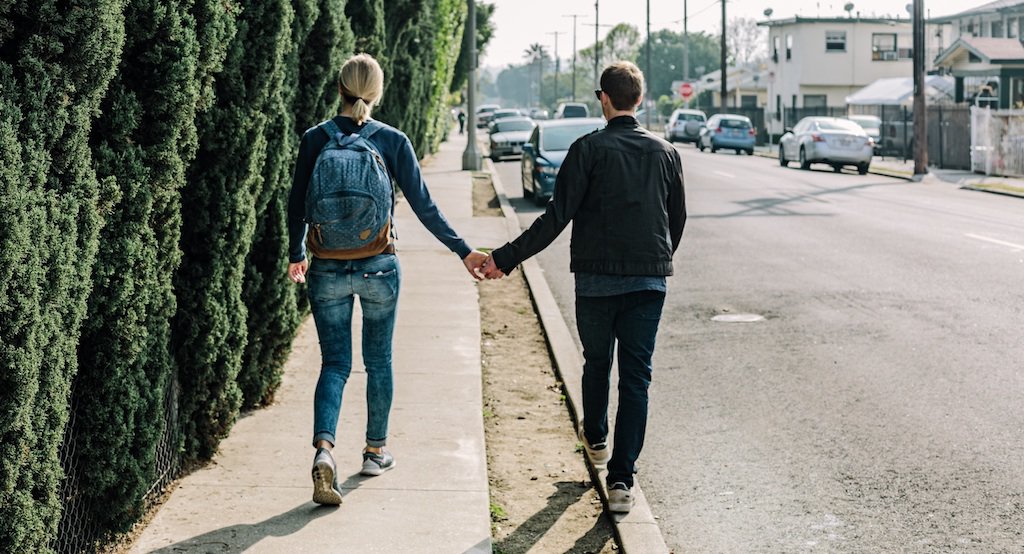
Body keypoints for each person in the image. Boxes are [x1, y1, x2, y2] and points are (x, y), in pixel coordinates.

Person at [480, 61, 686, 514]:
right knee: (637, 379)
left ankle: (595, 438)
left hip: (595, 281)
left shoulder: (587, 150)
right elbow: (677, 221)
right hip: (649, 283)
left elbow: (556, 218)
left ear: (604, 98)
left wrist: (504, 258)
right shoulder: (667, 153)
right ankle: (621, 482)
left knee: (597, 363)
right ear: (639, 98)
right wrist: (655, 260)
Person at [287, 53, 488, 506]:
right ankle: (375, 451)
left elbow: (296, 204)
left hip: (328, 268)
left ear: (339, 89)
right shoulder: (393, 140)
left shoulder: (315, 139)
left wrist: (296, 253)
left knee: (335, 364)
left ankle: (324, 451)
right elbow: (424, 205)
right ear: (377, 93)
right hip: (379, 265)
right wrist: (463, 250)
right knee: (378, 360)